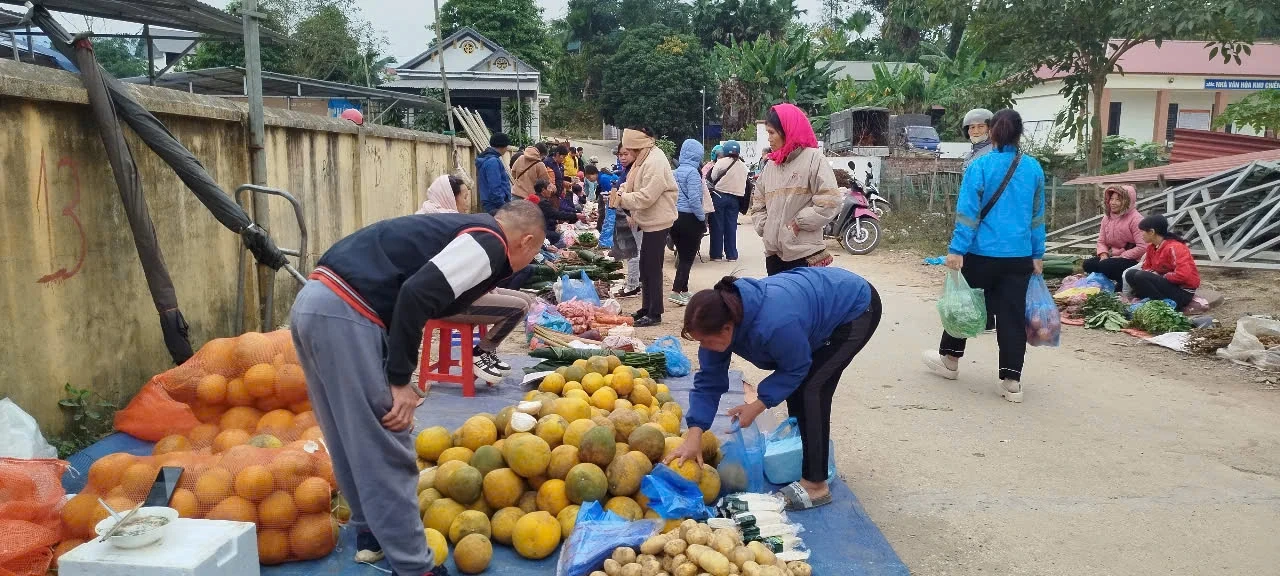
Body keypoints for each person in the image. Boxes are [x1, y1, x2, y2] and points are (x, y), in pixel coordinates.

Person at [290, 201, 545, 576]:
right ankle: (414, 567)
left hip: (314, 304)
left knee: (349, 436)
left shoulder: (463, 229)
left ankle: (372, 533)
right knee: (386, 439)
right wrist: (399, 380)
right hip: (347, 313)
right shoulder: (490, 243)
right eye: (535, 252)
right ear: (527, 241)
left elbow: (423, 296)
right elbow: (416, 295)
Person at [667, 268, 882, 510]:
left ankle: (815, 484)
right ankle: (804, 457)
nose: (704, 347)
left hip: (854, 307)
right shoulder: (720, 322)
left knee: (813, 387)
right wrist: (693, 436)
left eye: (706, 341)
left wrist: (757, 405)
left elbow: (796, 368)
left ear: (727, 329)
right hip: (808, 312)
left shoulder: (774, 324)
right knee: (798, 387)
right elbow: (709, 380)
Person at [922, 109, 1045, 403]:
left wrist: (956, 250)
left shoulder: (980, 166)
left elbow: (967, 215)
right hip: (1019, 257)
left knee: (964, 304)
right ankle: (1011, 381)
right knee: (1012, 317)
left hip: (980, 254)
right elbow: (1037, 217)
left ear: (992, 132)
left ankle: (950, 361)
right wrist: (1037, 254)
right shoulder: (1033, 169)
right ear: (1019, 134)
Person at [414, 173, 534, 384]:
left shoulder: (442, 217)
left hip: (462, 290)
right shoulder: (443, 223)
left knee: (526, 300)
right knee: (516, 308)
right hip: (447, 300)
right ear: (450, 197)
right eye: (464, 196)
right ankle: (480, 354)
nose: (468, 202)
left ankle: (486, 351)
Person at [750, 104, 840, 275]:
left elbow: (830, 201)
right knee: (778, 301)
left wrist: (799, 222)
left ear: (787, 131)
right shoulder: (770, 166)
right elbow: (758, 203)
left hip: (804, 255)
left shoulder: (814, 159)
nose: (769, 139)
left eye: (772, 133)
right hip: (774, 257)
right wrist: (766, 227)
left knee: (804, 302)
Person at [611, 127, 678, 326]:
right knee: (645, 266)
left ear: (638, 145)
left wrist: (622, 199)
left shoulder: (655, 161)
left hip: (658, 220)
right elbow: (631, 183)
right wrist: (622, 191)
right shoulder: (643, 158)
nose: (628, 154)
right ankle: (646, 307)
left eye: (630, 150)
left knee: (652, 268)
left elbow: (647, 196)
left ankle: (655, 312)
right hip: (648, 220)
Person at [1124, 214, 1201, 308]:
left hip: (1182, 291)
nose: (1141, 235)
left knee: (1141, 276)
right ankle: (1153, 299)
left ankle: (1161, 304)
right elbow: (1146, 267)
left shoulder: (1175, 247)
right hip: (1166, 285)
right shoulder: (1151, 247)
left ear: (1152, 232)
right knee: (1130, 274)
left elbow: (1183, 275)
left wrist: (1161, 275)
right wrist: (1153, 274)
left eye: (1142, 231)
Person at [1082, 185, 1146, 288]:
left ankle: (1126, 282)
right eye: (1111, 199)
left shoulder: (1136, 219)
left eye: (1118, 200)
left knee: (1106, 265)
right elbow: (1101, 241)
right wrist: (1103, 255)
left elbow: (1143, 247)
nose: (1113, 202)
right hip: (1114, 257)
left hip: (1134, 259)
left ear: (1127, 201)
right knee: (1088, 264)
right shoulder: (1107, 218)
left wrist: (1121, 256)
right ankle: (1107, 282)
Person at [670, 139, 708, 306]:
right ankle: (676, 291)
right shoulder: (693, 173)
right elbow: (694, 200)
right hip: (689, 218)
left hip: (674, 217)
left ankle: (684, 290)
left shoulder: (675, 172)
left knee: (683, 253)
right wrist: (702, 219)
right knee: (687, 257)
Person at [707, 140, 749, 262]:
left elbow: (713, 177)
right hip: (735, 199)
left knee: (717, 226)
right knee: (731, 226)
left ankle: (716, 255)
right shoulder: (743, 166)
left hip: (719, 197)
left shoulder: (721, 162)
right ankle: (731, 255)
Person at [476, 132, 512, 213]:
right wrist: (502, 205)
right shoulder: (493, 162)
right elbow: (494, 187)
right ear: (503, 146)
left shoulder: (488, 158)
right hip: (495, 206)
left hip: (491, 203)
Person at [536, 178, 579, 246]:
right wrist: (576, 215)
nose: (551, 190)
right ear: (543, 190)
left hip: (541, 227)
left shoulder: (539, 198)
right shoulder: (542, 202)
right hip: (538, 231)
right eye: (549, 188)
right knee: (557, 237)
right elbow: (556, 214)